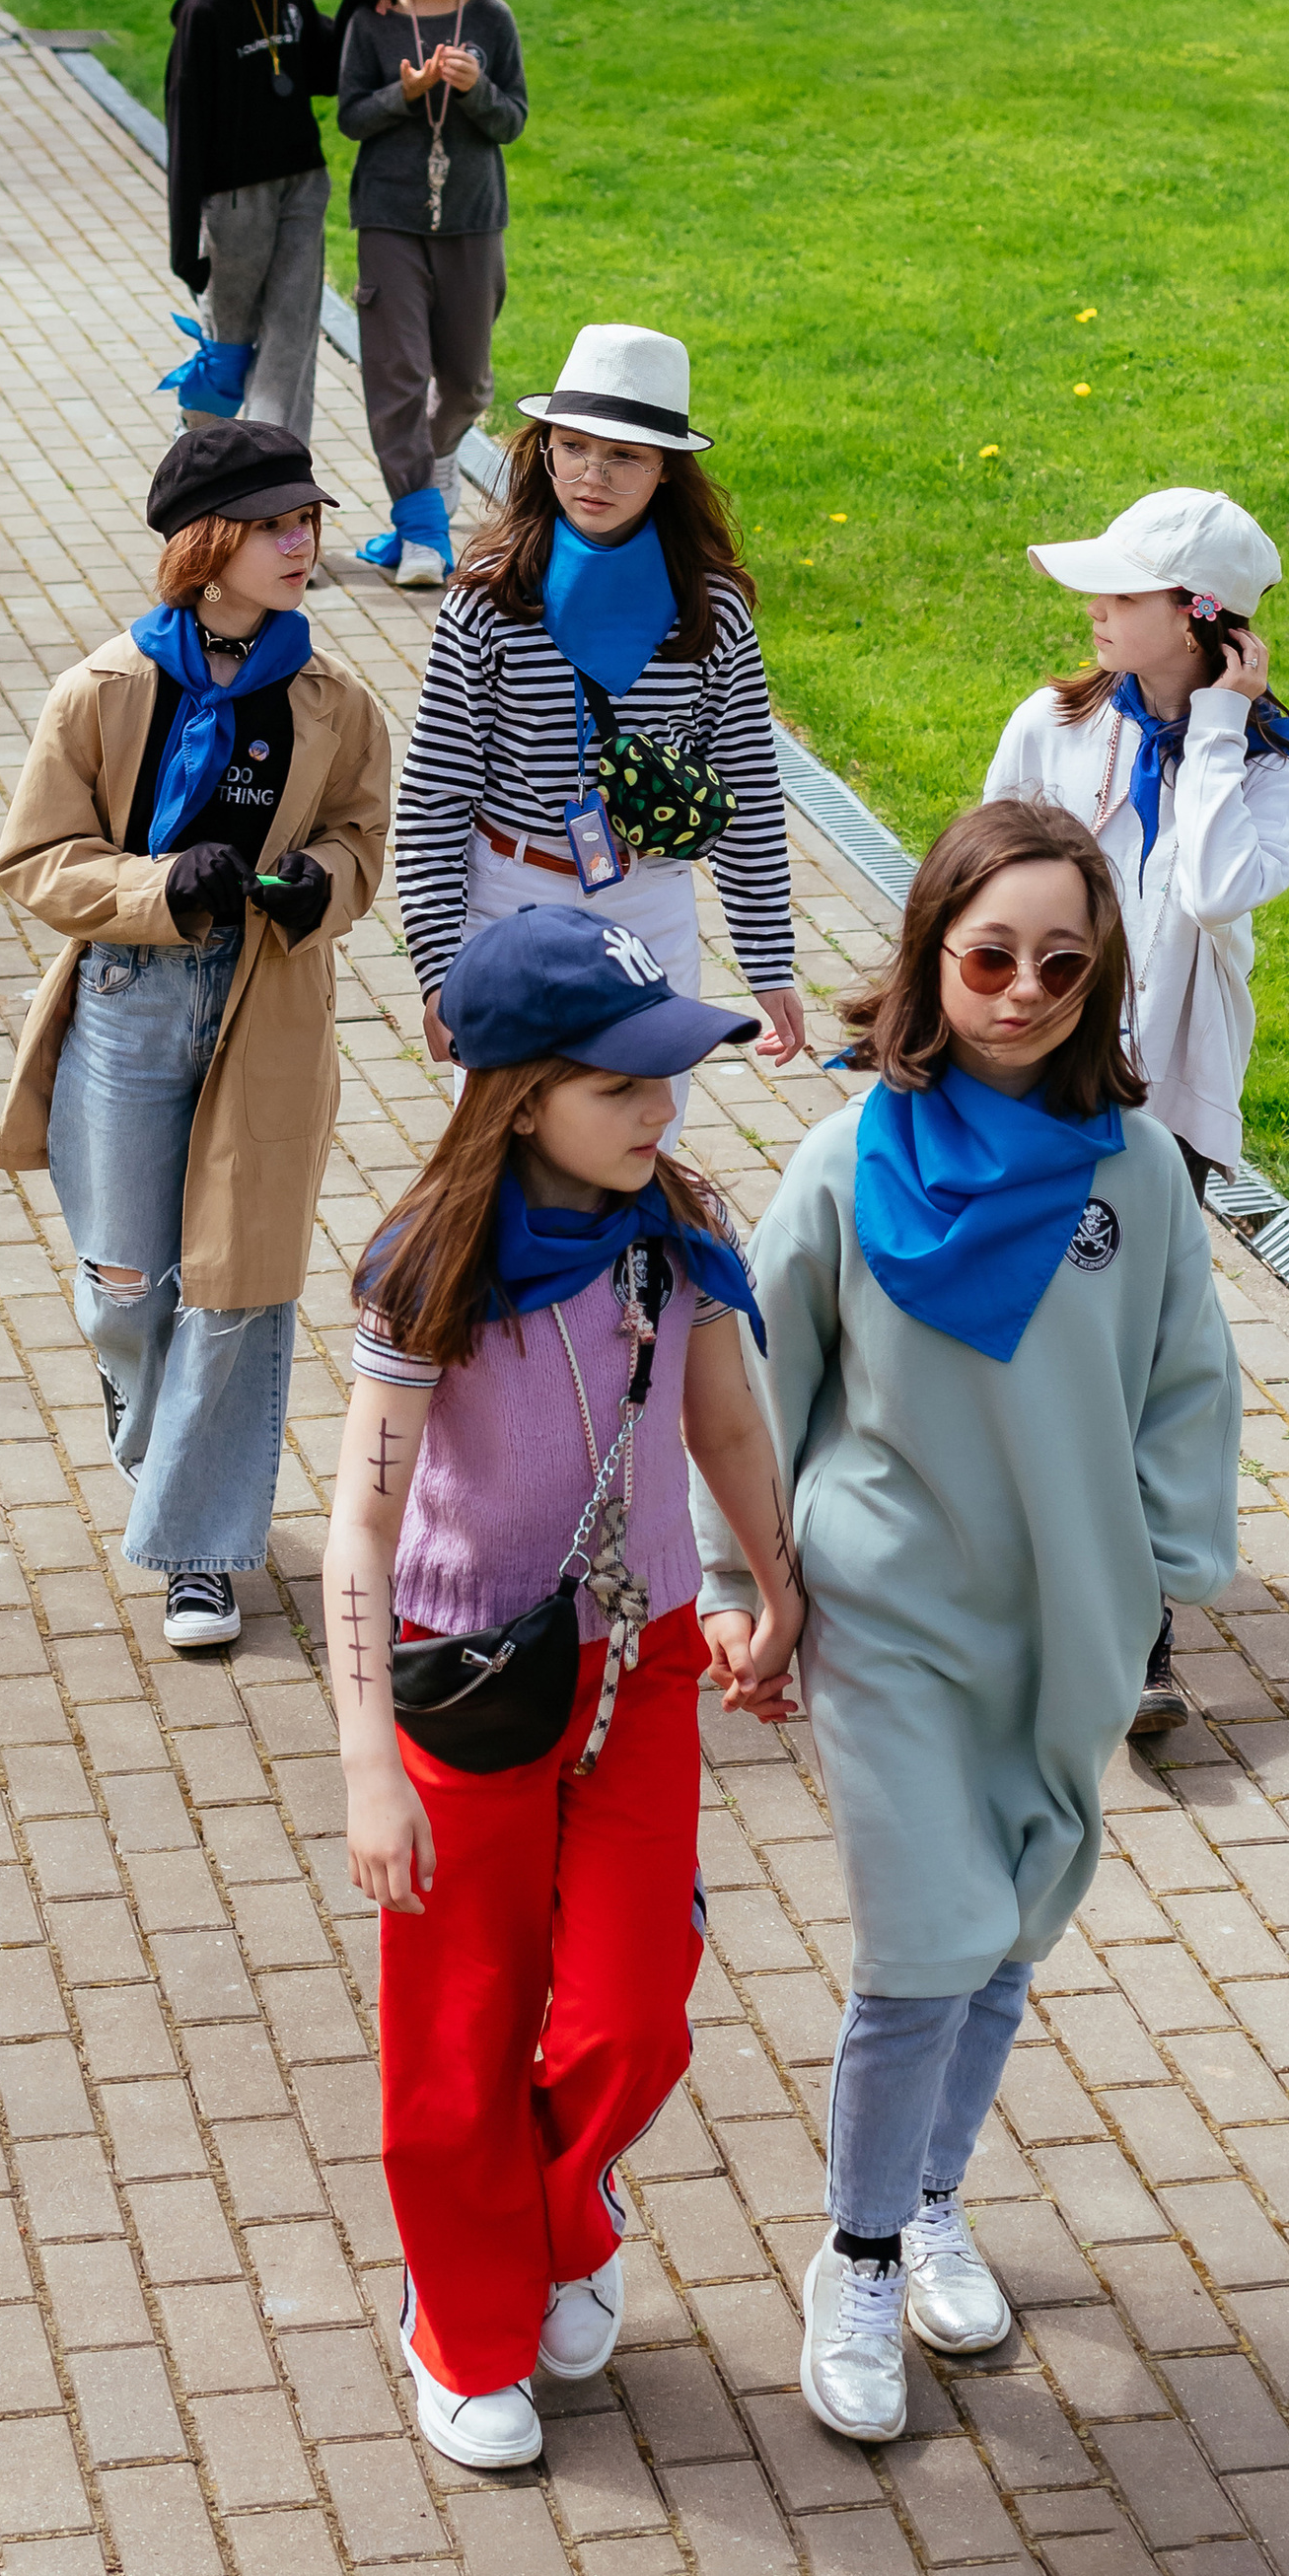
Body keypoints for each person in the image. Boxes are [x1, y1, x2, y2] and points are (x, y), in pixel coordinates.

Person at [693, 796, 1240, 2448]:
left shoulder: (1136, 1175)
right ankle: (856, 2256)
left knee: (1005, 1931)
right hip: (889, 1620)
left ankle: (931, 2194)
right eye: (989, 954)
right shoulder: (843, 1161)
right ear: (932, 955)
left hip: (1065, 1624)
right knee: (925, 1940)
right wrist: (740, 1591)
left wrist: (1160, 1587)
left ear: (1097, 982)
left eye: (1061, 967)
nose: (1020, 990)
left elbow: (1184, 1387)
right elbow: (757, 1387)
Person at [325, 902, 801, 2473]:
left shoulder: (672, 1225)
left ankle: (555, 2214)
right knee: (458, 2039)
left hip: (646, 1666)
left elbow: (726, 1429)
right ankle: (462, 2325)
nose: (660, 1112)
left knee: (629, 2015)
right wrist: (367, 1764)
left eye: (668, 1078)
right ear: (521, 1090)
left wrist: (772, 1583)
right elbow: (364, 1523)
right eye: (624, 1085)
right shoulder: (426, 1267)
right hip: (467, 1691)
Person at [0, 423, 392, 1657]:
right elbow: (35, 862)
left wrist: (318, 885)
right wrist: (164, 888)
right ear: (204, 548)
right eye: (277, 524)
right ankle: (167, 1445)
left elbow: (359, 841)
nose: (303, 542)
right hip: (128, 1004)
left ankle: (201, 1556)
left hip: (267, 1010)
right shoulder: (104, 692)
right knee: (127, 1288)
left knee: (234, 1288)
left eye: (309, 521)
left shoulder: (333, 700)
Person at [983, 484, 1289, 1735]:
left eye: (1120, 594)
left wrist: (1221, 729)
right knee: (1013, 1325)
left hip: (1160, 1100)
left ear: (1200, 617)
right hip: (1031, 1069)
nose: (1093, 611)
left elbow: (1219, 887)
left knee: (1129, 1354)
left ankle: (1136, 1640)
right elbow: (975, 872)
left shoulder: (1270, 765)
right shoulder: (1054, 723)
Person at [394, 324, 807, 1085]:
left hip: (651, 905)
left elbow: (748, 789)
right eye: (574, 445)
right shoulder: (488, 598)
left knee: (645, 1133)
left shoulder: (712, 611)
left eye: (625, 455)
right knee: (503, 1153)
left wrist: (768, 962)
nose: (594, 474)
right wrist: (437, 969)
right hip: (510, 904)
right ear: (544, 447)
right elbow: (434, 795)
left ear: (665, 473)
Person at [336, 0, 526, 586]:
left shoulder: (493, 20)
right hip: (389, 220)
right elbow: (353, 116)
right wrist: (405, 93)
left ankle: (435, 467)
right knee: (398, 374)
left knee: (470, 382)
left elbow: (514, 121)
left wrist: (477, 94)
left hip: (473, 222)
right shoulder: (375, 19)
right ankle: (423, 532)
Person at [161, 0, 366, 446]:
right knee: (231, 339)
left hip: (301, 185)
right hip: (234, 203)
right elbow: (186, 133)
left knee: (292, 333)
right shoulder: (204, 12)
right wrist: (184, 248)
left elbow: (325, 74)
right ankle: (200, 455)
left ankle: (278, 474)